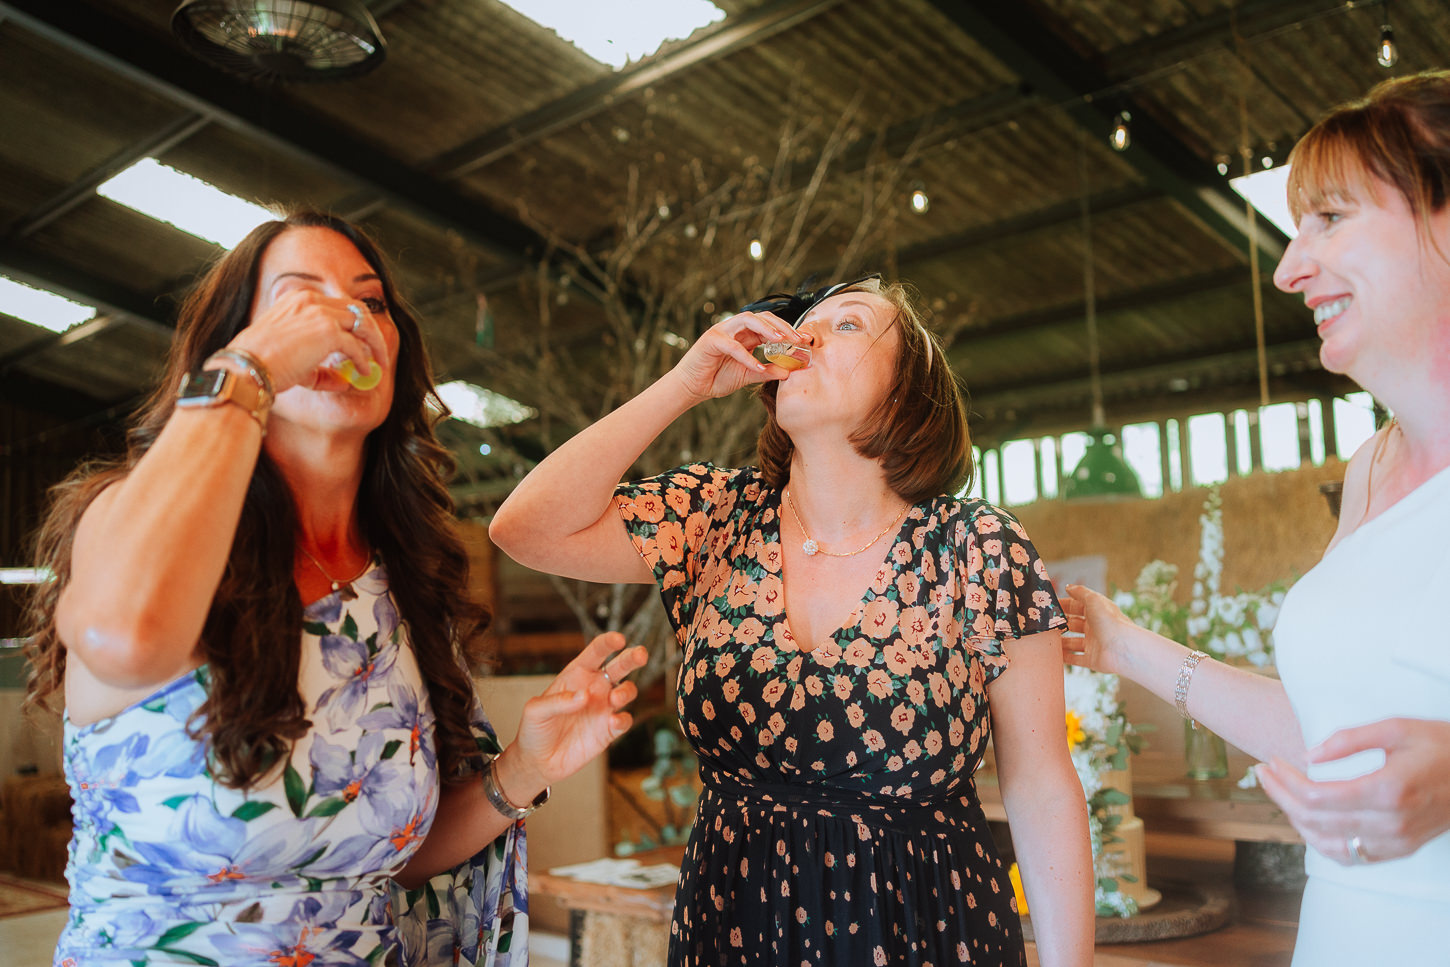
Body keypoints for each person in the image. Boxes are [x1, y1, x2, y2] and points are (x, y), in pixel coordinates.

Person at [21, 210, 647, 966]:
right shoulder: (123, 516)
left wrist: (523, 768)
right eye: (297, 300)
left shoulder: (401, 584)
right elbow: (129, 637)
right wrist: (251, 369)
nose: (344, 319)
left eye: (371, 302)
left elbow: (380, 863)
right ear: (234, 341)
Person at [490, 276, 1094, 966]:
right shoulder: (715, 516)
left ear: (908, 388)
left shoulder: (976, 546)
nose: (806, 334)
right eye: (804, 323)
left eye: (847, 325)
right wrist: (684, 385)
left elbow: (1041, 786)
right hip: (733, 931)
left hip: (922, 931)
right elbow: (525, 528)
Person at [1063, 71, 1450, 965]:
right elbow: (1329, 732)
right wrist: (1121, 645)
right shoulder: (1370, 470)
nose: (1287, 267)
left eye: (1331, 219)